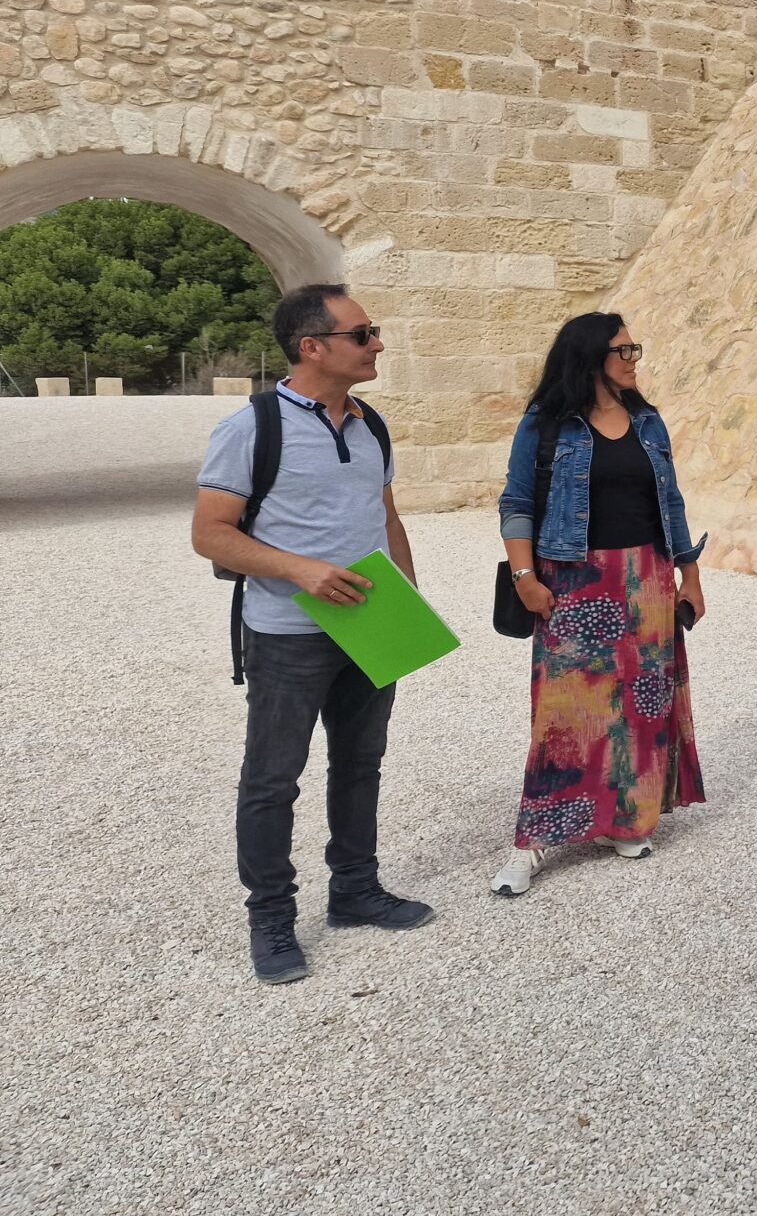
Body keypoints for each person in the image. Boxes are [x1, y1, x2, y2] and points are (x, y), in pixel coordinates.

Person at [192, 283, 433, 986]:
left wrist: (408, 602)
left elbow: (385, 516)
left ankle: (355, 890)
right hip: (287, 634)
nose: (377, 343)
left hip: (372, 626)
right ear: (312, 347)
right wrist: (300, 570)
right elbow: (210, 535)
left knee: (361, 764)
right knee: (272, 779)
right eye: (363, 334)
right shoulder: (251, 429)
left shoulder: (370, 424)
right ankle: (271, 918)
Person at [489, 313, 708, 897]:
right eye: (623, 350)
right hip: (574, 577)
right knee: (566, 712)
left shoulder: (648, 421)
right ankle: (535, 838)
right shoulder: (546, 424)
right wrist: (524, 577)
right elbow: (516, 501)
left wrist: (690, 575)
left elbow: (672, 502)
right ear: (590, 357)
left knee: (640, 705)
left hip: (648, 577)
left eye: (635, 349)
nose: (634, 359)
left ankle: (624, 819)